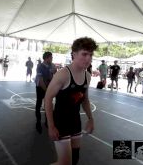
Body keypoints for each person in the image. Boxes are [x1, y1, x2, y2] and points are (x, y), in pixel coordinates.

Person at [45, 37, 97, 165]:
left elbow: (85, 99)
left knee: (74, 160)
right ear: (74, 54)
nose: (88, 58)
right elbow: (48, 98)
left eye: (90, 55)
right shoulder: (63, 74)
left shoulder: (88, 76)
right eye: (84, 54)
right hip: (60, 122)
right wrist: (51, 126)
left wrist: (91, 119)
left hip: (75, 121)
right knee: (64, 163)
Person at [35, 52, 53, 133]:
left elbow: (52, 76)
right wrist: (47, 91)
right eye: (51, 57)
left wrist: (54, 72)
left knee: (48, 104)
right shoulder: (40, 66)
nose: (52, 59)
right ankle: (38, 122)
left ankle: (47, 122)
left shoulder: (51, 65)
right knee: (39, 104)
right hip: (40, 87)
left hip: (48, 87)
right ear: (46, 58)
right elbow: (41, 80)